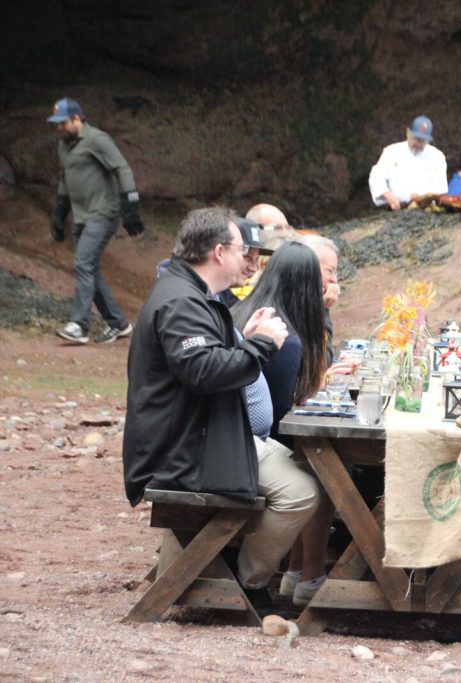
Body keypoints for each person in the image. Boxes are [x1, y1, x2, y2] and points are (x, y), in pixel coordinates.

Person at [123, 207, 320, 618]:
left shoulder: (189, 293)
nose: (246, 260)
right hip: (180, 450)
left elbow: (202, 361)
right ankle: (241, 582)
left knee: (309, 469)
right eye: (240, 250)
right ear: (217, 252)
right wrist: (262, 345)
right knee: (302, 491)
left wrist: (244, 341)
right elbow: (202, 372)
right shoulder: (181, 301)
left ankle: (229, 575)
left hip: (198, 436)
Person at [231, 241, 332, 606]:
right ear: (308, 287)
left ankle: (294, 573)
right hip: (243, 443)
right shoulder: (284, 339)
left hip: (225, 434)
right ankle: (255, 581)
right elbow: (275, 421)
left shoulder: (244, 310)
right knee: (323, 473)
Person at [48, 97, 143, 344]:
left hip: (103, 214)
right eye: (56, 123)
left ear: (77, 119)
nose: (59, 127)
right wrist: (59, 213)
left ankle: (79, 325)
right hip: (82, 215)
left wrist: (130, 206)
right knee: (87, 266)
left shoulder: (97, 140)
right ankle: (118, 323)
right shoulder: (64, 145)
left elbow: (123, 169)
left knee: (82, 262)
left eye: (63, 123)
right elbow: (65, 178)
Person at [368, 115, 448, 211]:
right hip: (397, 208)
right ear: (408, 132)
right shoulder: (392, 151)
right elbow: (376, 177)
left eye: (423, 140)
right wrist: (387, 195)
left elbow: (440, 188)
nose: (418, 143)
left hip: (428, 210)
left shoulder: (437, 156)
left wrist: (422, 198)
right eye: (416, 138)